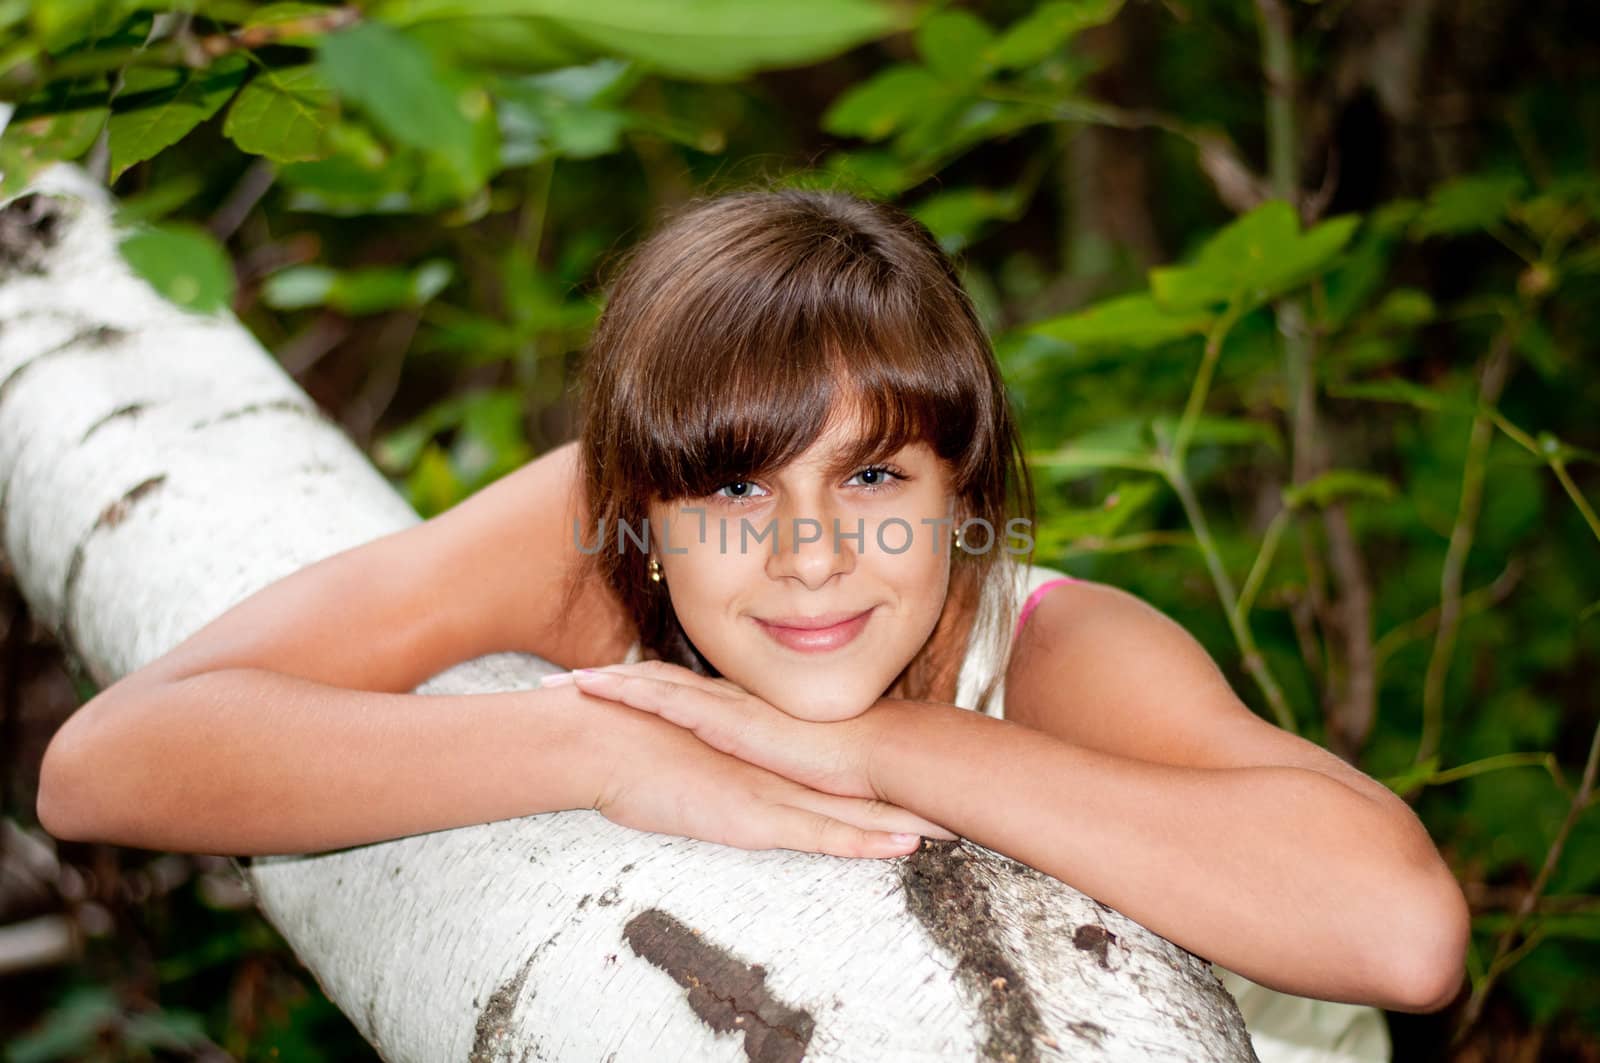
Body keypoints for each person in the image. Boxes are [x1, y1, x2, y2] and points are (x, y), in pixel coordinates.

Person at [37, 188, 1464, 1061]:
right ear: (642, 499)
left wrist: (885, 748)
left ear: (961, 486)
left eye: (875, 475)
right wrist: (584, 747)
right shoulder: (589, 536)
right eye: (731, 486)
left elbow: (1401, 940)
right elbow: (105, 764)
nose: (809, 555)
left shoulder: (1054, 651)